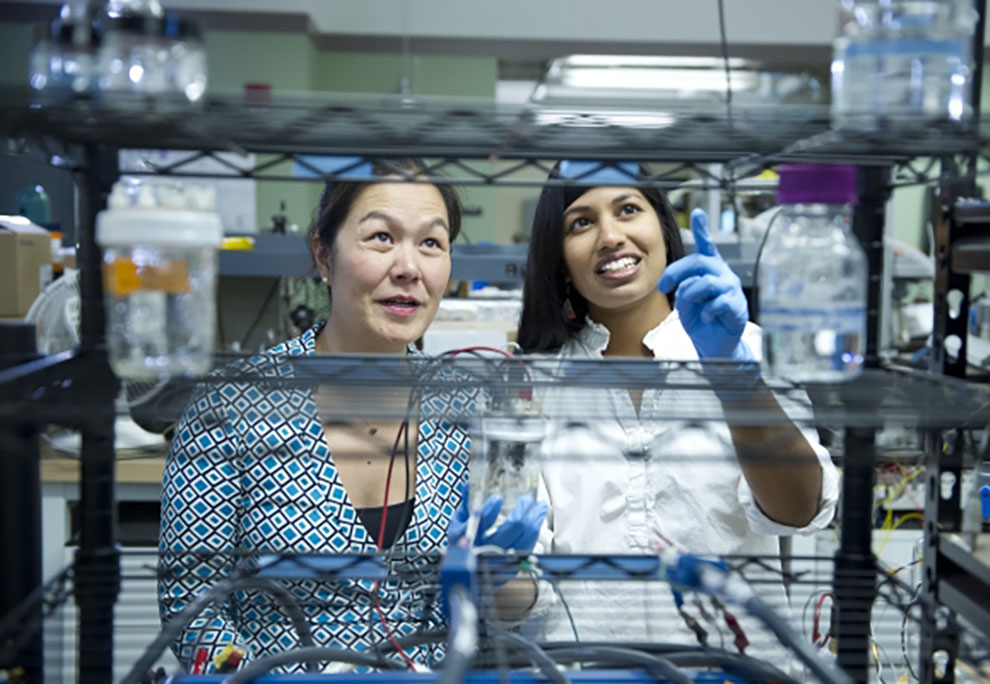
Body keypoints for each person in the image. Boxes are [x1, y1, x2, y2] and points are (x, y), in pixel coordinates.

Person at [159, 159, 544, 675]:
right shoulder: (235, 404)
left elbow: (504, 615)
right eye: (382, 237)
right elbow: (189, 598)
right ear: (323, 254)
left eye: (431, 243)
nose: (409, 266)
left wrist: (504, 581)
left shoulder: (467, 408)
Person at [516, 161, 839, 658]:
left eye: (628, 209)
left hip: (735, 668)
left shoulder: (747, 350)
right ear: (558, 259)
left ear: (664, 230)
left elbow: (798, 511)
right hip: (586, 671)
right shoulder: (536, 384)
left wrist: (732, 376)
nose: (610, 236)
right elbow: (522, 584)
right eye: (581, 222)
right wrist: (489, 570)